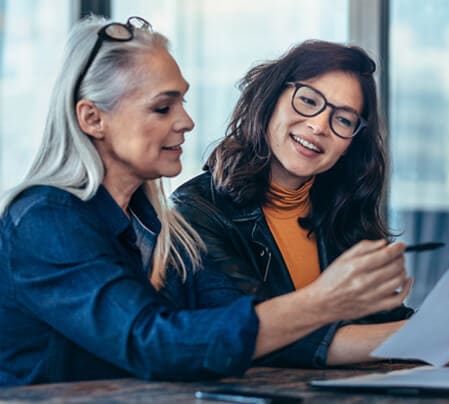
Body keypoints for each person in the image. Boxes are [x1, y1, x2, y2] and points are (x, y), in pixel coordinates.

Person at [0, 17, 414, 386]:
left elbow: (225, 327)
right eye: (163, 107)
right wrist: (323, 300)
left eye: (182, 101)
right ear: (93, 118)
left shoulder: (159, 228)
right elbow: (156, 343)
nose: (186, 121)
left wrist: (434, 333)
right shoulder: (44, 219)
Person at [170, 40, 449, 368]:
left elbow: (383, 325)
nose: (319, 126)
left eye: (343, 119)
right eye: (308, 101)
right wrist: (432, 338)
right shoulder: (197, 210)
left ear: (350, 144)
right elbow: (260, 335)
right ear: (271, 99)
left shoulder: (339, 212)